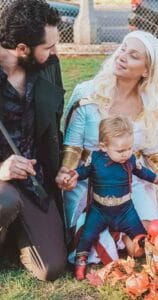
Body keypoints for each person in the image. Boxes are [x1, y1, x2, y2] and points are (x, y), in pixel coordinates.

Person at [56, 30, 158, 265]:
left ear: (146, 70)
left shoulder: (150, 105)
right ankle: (114, 236)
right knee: (90, 241)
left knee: (150, 235)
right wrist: (66, 172)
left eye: (133, 55)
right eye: (122, 49)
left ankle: (127, 237)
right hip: (88, 182)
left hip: (131, 181)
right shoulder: (87, 93)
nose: (121, 56)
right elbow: (72, 146)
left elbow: (154, 150)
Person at [0, 0, 66, 281]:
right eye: (48, 47)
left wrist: (64, 167)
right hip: (2, 184)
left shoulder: (49, 66)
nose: (55, 52)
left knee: (52, 267)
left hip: (35, 180)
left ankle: (14, 232)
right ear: (22, 49)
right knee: (5, 200)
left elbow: (54, 124)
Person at [57, 116, 158, 280]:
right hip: (99, 209)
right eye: (120, 150)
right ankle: (81, 262)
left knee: (141, 235)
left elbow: (142, 172)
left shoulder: (130, 159)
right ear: (103, 147)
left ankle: (152, 259)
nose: (126, 153)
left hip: (125, 210)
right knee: (87, 235)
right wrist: (72, 175)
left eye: (129, 148)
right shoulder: (95, 159)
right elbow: (83, 171)